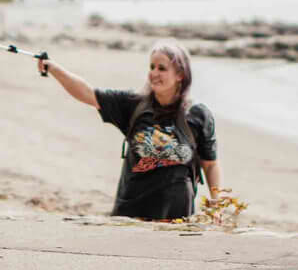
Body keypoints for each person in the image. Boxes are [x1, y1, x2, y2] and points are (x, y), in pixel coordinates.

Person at [37, 41, 222, 219]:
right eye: (152, 67)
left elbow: (210, 164)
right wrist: (53, 68)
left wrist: (217, 205)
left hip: (177, 217)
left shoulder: (198, 114)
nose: (154, 73)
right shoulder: (133, 105)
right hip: (131, 213)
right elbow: (87, 93)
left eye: (162, 68)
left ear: (180, 74)